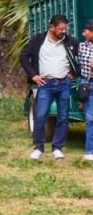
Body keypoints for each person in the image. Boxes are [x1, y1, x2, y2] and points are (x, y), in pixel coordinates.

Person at [21, 15, 80, 160]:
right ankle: (39, 148)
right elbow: (23, 57)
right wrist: (33, 75)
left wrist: (75, 72)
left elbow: (82, 58)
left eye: (65, 28)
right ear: (52, 27)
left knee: (63, 117)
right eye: (60, 28)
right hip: (45, 84)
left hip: (64, 84)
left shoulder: (70, 41)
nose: (63, 31)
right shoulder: (38, 40)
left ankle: (58, 148)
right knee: (41, 116)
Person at [80, 20, 93, 161]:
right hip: (88, 83)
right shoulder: (82, 46)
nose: (83, 33)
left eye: (86, 31)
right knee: (90, 119)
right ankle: (90, 151)